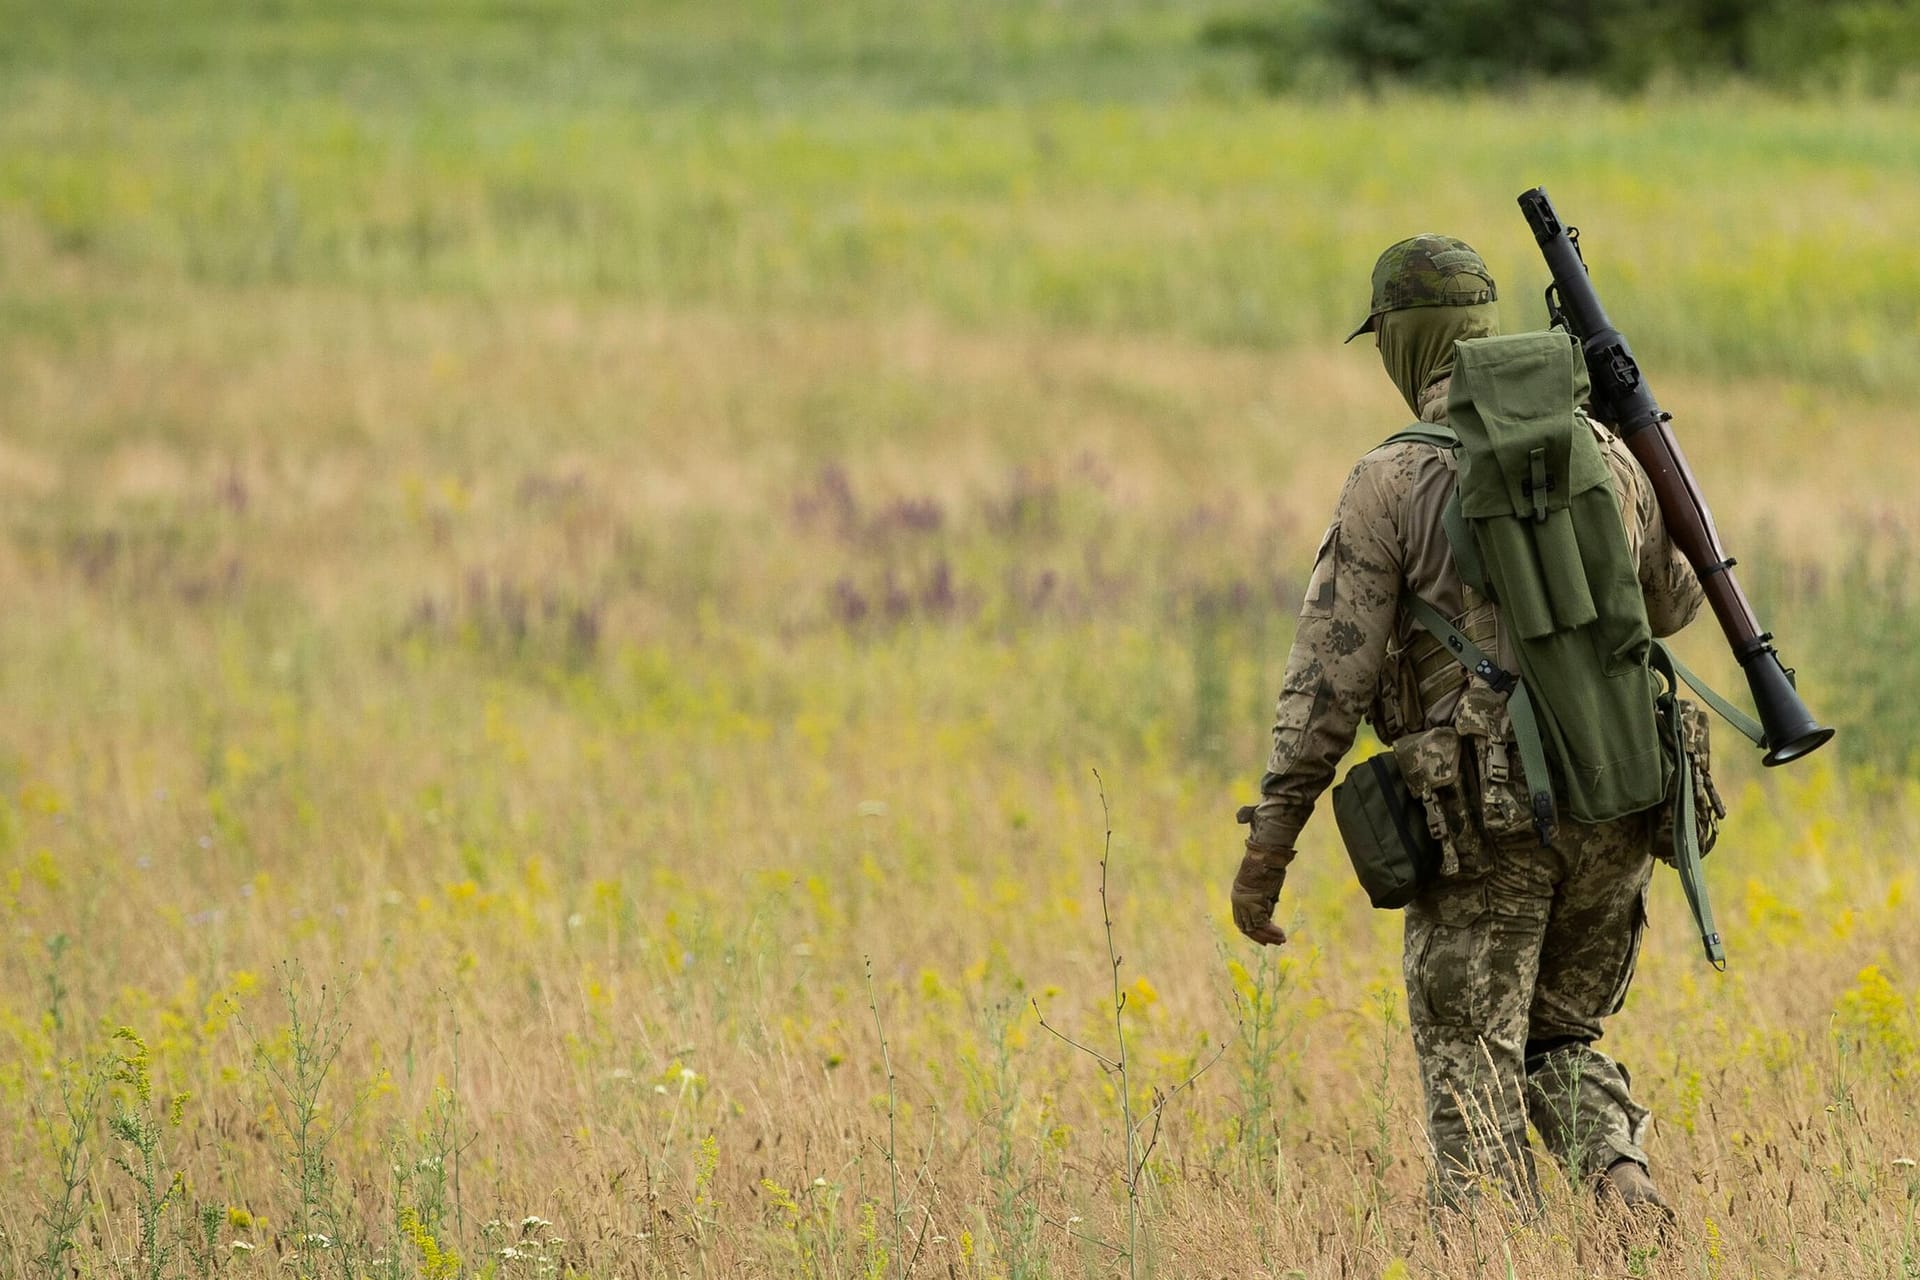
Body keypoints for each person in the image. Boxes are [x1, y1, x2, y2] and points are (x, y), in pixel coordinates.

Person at [1231, 235, 1704, 1216]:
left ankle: (1489, 1244)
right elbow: (1675, 603)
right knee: (1556, 1036)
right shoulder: (1604, 449)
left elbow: (1331, 675)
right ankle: (1624, 1193)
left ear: (1403, 342)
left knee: (1468, 1057)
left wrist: (1272, 836)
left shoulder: (1390, 480)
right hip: (1621, 793)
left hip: (1484, 814)